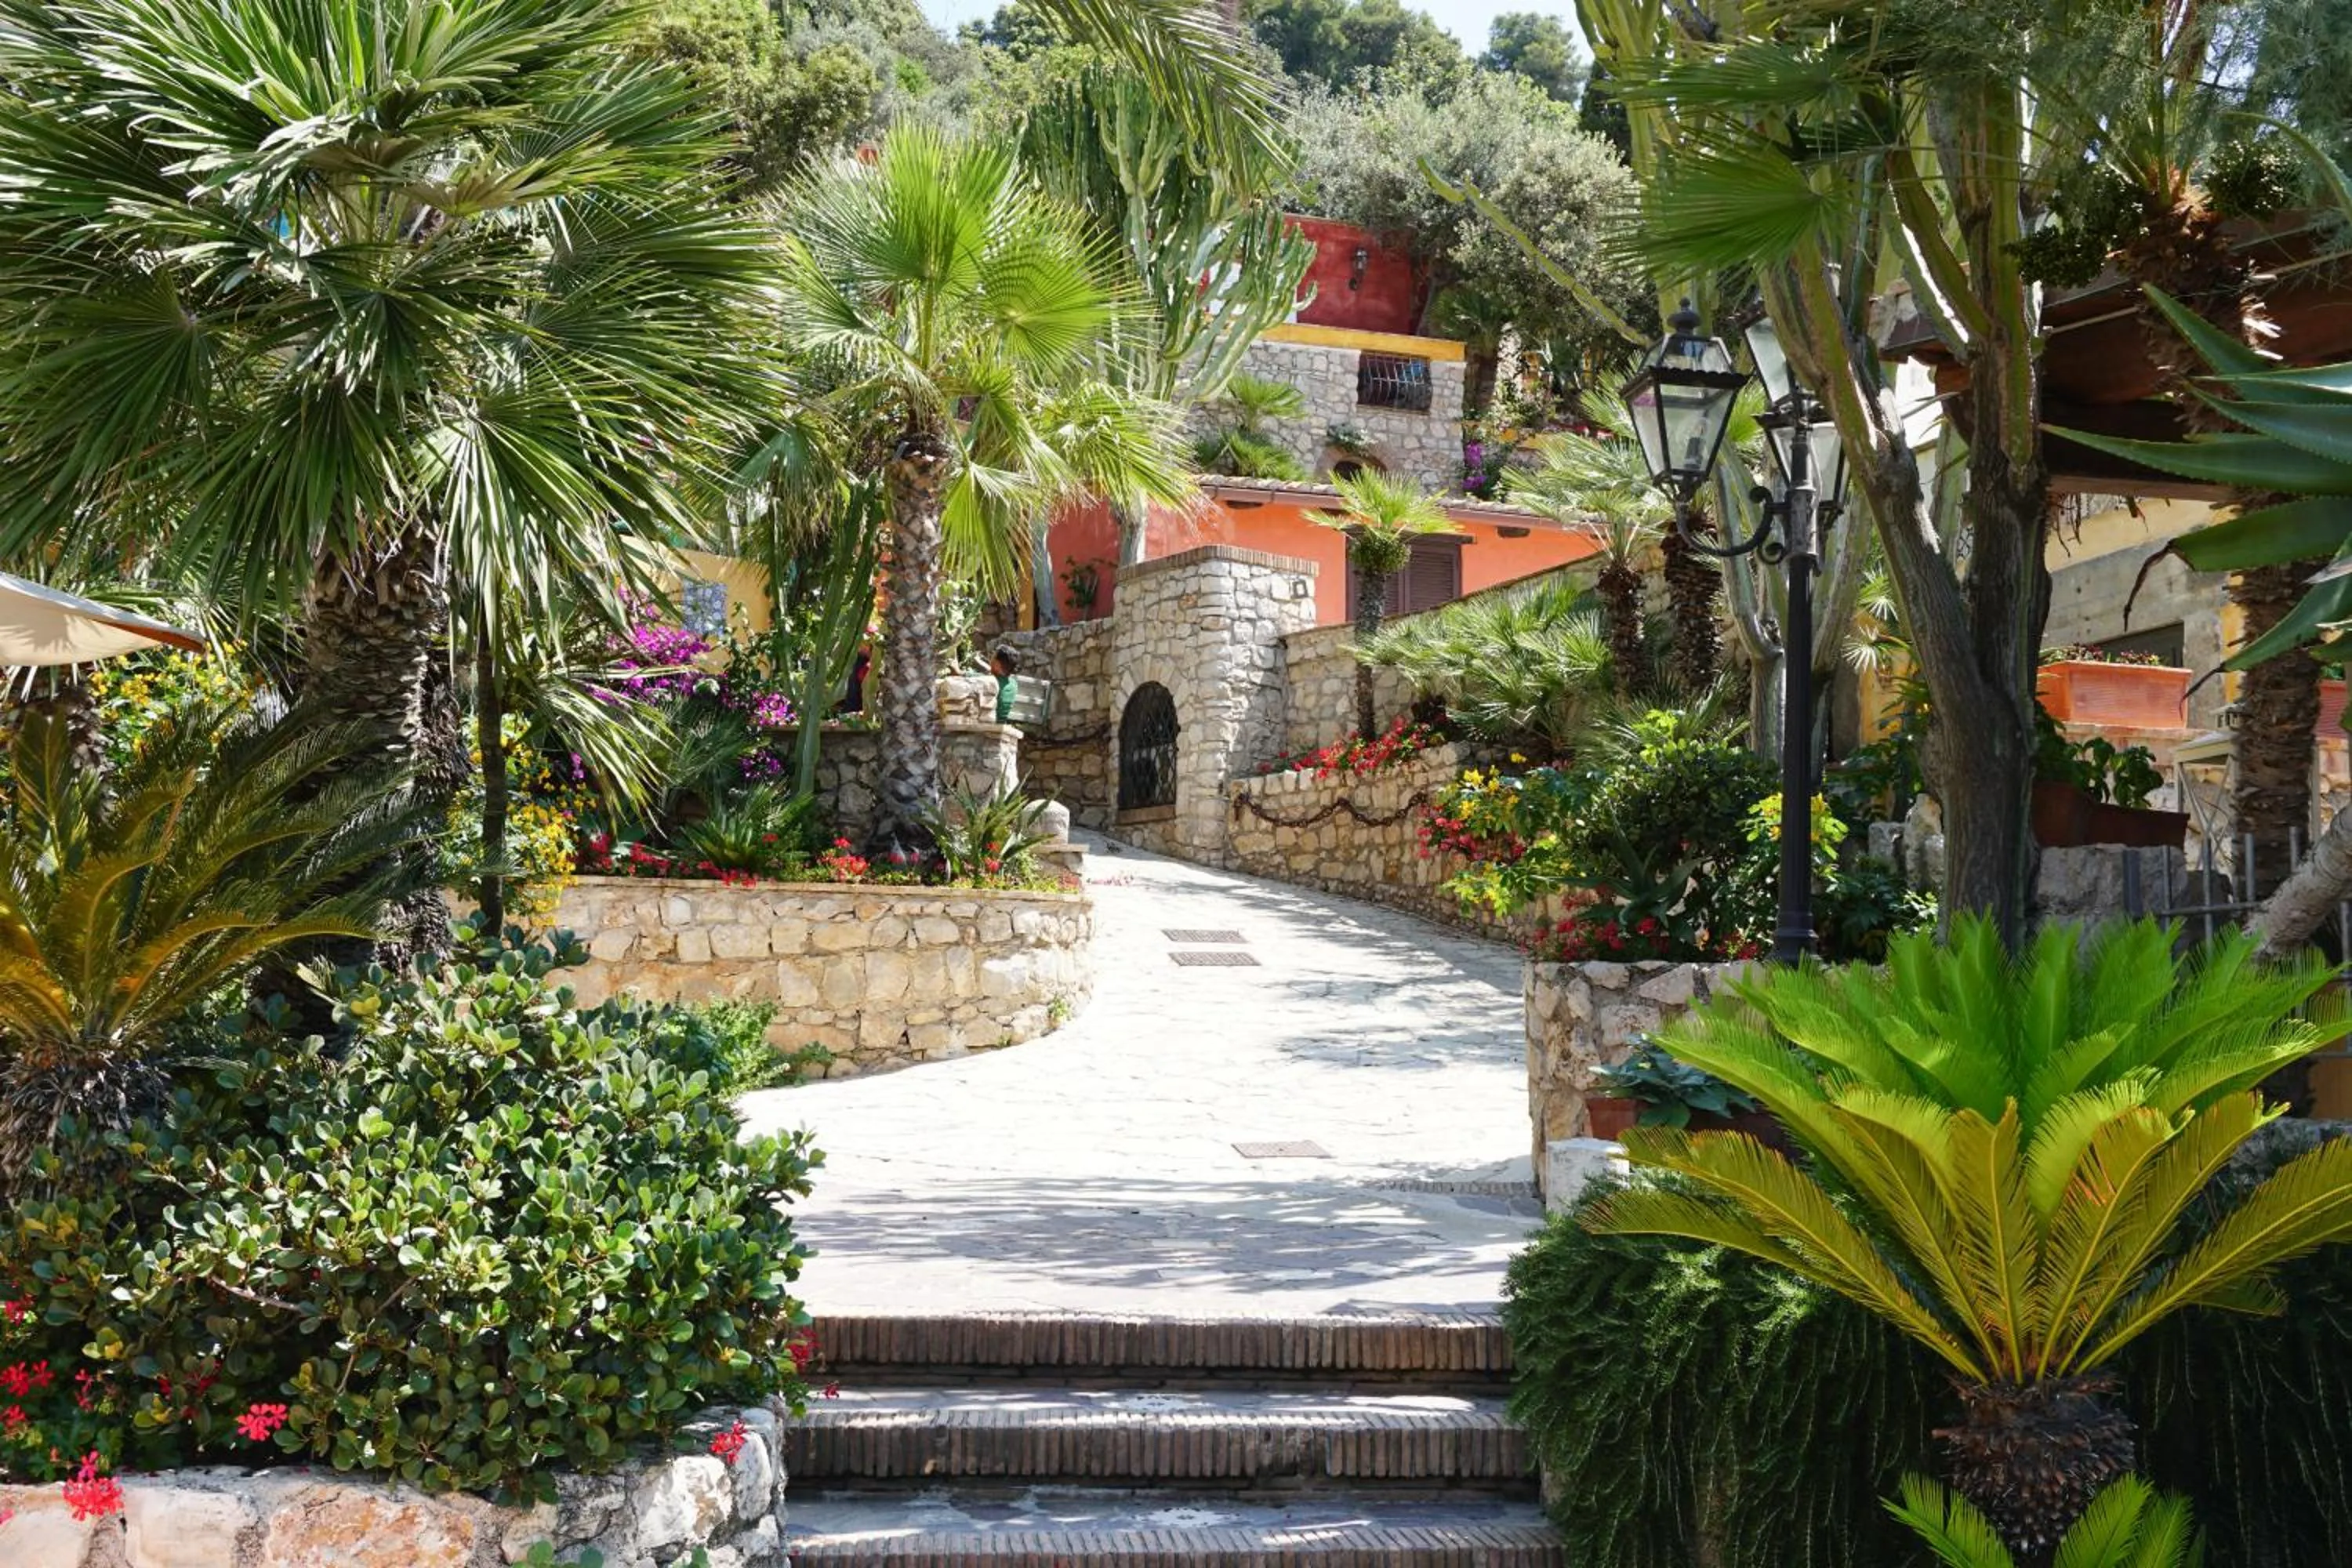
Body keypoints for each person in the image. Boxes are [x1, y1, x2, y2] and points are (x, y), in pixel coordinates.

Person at [989, 644, 1022, 723]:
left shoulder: (992, 682)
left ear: (997, 665)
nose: (990, 659)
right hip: (1001, 724)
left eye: (993, 657)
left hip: (989, 725)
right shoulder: (1013, 684)